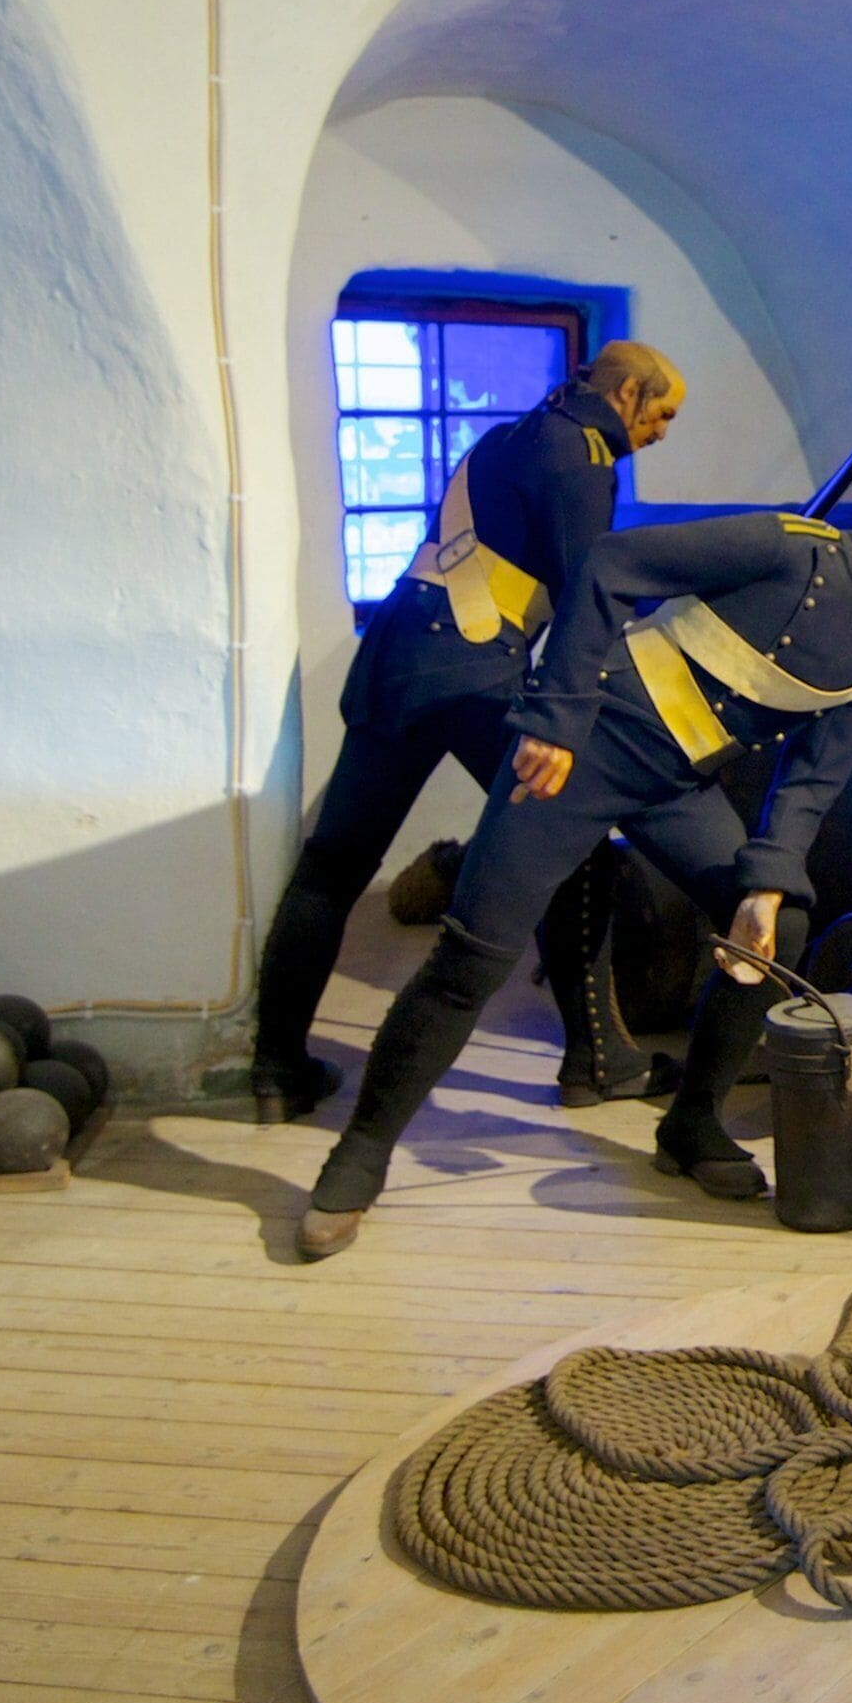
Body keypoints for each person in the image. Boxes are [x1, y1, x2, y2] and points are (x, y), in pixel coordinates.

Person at [290, 431, 852, 1261]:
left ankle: (690, 1123)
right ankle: (358, 1154)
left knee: (779, 934)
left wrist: (767, 882)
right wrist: (557, 718)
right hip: (582, 756)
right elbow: (611, 565)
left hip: (679, 786)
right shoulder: (783, 546)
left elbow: (811, 781)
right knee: (471, 961)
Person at [252, 340, 686, 1125]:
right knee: (574, 842)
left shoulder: (510, 436)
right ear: (625, 395)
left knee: (330, 868)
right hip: (473, 668)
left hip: (396, 657)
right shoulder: (584, 456)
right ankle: (598, 1059)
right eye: (662, 413)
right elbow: (590, 593)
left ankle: (275, 1068)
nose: (662, 431)